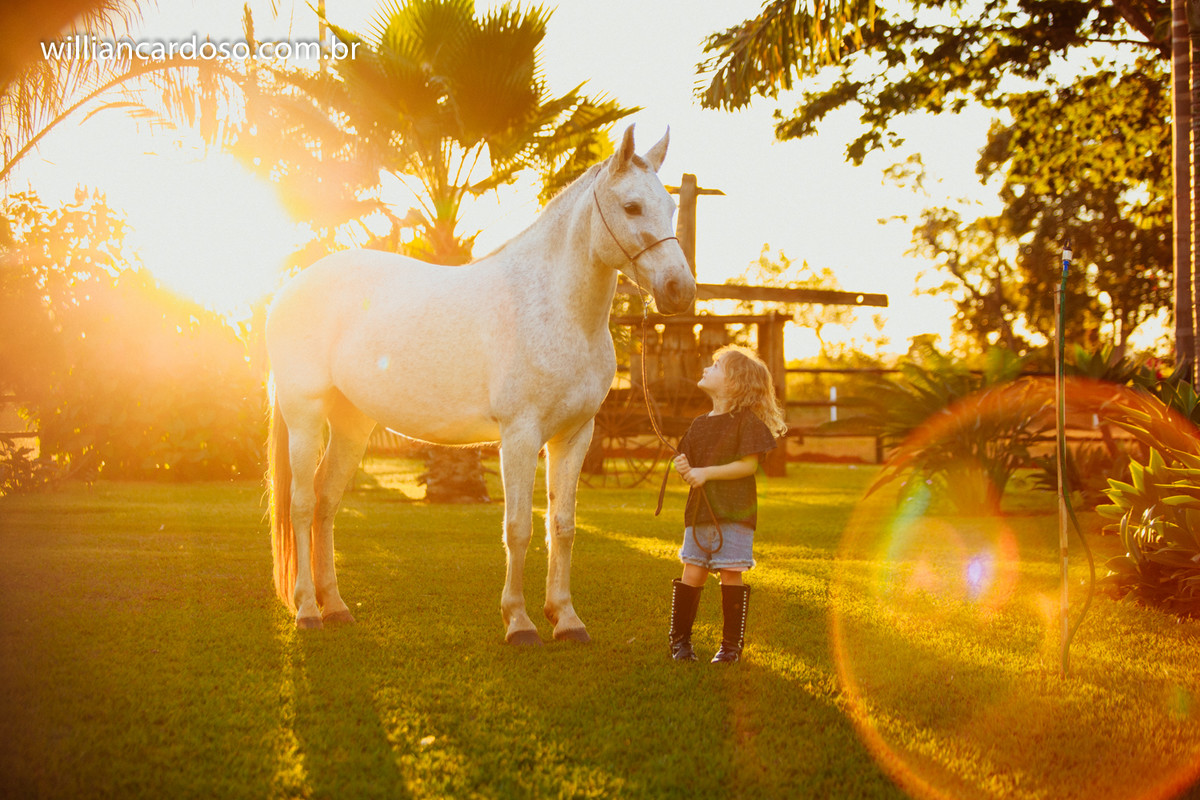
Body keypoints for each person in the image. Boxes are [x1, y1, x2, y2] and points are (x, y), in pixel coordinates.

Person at [668, 344, 787, 664]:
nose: (707, 368)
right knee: (692, 571)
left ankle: (730, 647)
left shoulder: (745, 422)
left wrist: (705, 473)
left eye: (717, 365)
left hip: (734, 514)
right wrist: (686, 471)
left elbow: (748, 466)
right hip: (699, 513)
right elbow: (692, 472)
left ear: (734, 383)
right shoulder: (698, 425)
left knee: (731, 573)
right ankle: (680, 642)